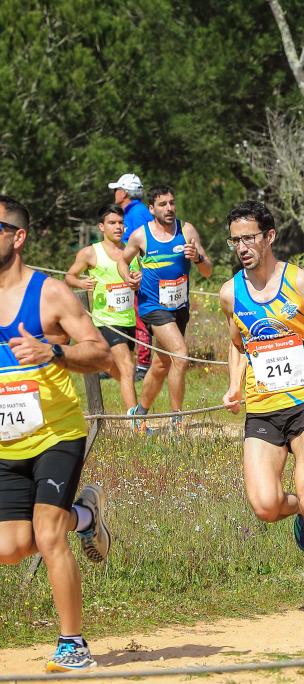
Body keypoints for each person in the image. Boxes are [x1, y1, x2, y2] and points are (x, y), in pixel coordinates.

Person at [220, 200, 304, 617]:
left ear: (269, 237)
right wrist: (234, 385)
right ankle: (303, 513)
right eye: (235, 240)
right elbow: (237, 343)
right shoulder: (230, 293)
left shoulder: (298, 281)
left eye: (249, 238)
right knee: (265, 505)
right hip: (262, 408)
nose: (242, 247)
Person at [0, 195, 113, 672]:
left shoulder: (49, 294)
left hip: (56, 434)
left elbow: (101, 353)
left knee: (48, 535)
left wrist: (55, 353)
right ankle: (85, 516)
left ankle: (73, 644)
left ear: (17, 236)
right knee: (10, 549)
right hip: (7, 440)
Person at [117, 186, 213, 428]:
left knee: (161, 364)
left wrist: (198, 258)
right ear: (151, 209)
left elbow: (207, 271)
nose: (169, 208)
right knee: (180, 354)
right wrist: (128, 278)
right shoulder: (140, 235)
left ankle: (139, 415)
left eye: (172, 203)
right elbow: (122, 261)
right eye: (162, 204)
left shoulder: (186, 230)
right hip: (152, 306)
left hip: (179, 308)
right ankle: (176, 420)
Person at [65, 206, 141, 413]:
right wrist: (81, 283)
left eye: (120, 223)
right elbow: (69, 276)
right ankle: (136, 421)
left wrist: (137, 280)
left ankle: (95, 362)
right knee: (128, 368)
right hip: (105, 320)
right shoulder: (90, 252)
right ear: (101, 227)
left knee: (122, 371)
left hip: (128, 319)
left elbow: (137, 280)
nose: (118, 227)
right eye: (112, 223)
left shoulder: (131, 252)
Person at [108, 173, 154, 379]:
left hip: (138, 276)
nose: (114, 193)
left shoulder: (136, 214)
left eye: (117, 189)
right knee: (126, 317)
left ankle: (143, 365)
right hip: (130, 274)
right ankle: (121, 363)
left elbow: (144, 246)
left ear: (124, 193)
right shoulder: (133, 212)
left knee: (139, 319)